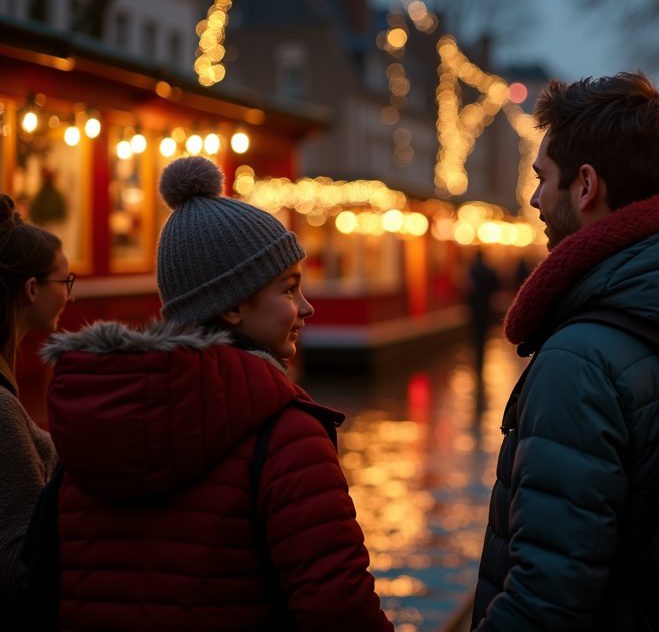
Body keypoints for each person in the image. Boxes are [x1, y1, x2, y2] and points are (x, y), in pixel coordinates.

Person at [40, 157, 392, 631]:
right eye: (289, 290)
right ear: (231, 307)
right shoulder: (287, 436)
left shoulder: (87, 434)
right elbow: (340, 613)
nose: (306, 307)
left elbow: (41, 583)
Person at [471, 73, 659, 631]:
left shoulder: (579, 359)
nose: (534, 199)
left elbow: (547, 597)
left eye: (543, 178)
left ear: (586, 186)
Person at [0, 195, 67, 625]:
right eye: (66, 282)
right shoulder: (4, 412)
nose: (69, 295)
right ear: (31, 289)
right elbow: (18, 570)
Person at [466, 250, 499, 372]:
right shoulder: (488, 270)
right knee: (484, 332)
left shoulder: (472, 270)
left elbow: (467, 288)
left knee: (475, 332)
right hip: (485, 306)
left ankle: (477, 355)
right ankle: (481, 354)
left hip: (474, 307)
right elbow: (495, 285)